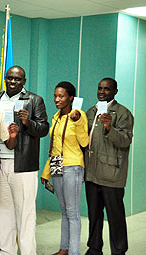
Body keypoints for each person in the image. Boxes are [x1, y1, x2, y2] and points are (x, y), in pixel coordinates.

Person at [0, 65, 49, 255]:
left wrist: (27, 122)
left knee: (25, 213)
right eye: (10, 78)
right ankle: (6, 250)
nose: (13, 82)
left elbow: (43, 129)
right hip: (0, 163)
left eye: (17, 79)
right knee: (3, 211)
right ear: (5, 79)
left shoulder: (34, 100)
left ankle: (27, 252)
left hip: (23, 165)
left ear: (24, 81)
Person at [84, 78, 133, 255]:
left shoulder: (122, 113)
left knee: (115, 217)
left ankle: (119, 251)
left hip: (112, 175)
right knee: (94, 215)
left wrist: (109, 127)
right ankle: (94, 248)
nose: (102, 92)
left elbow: (125, 140)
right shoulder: (92, 111)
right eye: (100, 88)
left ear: (115, 92)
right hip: (92, 173)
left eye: (107, 89)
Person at [41, 81, 89, 255]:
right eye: (55, 95)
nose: (56, 99)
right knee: (64, 212)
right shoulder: (56, 117)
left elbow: (84, 142)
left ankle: (74, 252)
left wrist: (76, 122)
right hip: (57, 166)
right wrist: (46, 172)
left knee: (73, 212)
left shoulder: (79, 116)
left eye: (61, 96)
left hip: (73, 167)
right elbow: (54, 146)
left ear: (71, 98)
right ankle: (64, 249)